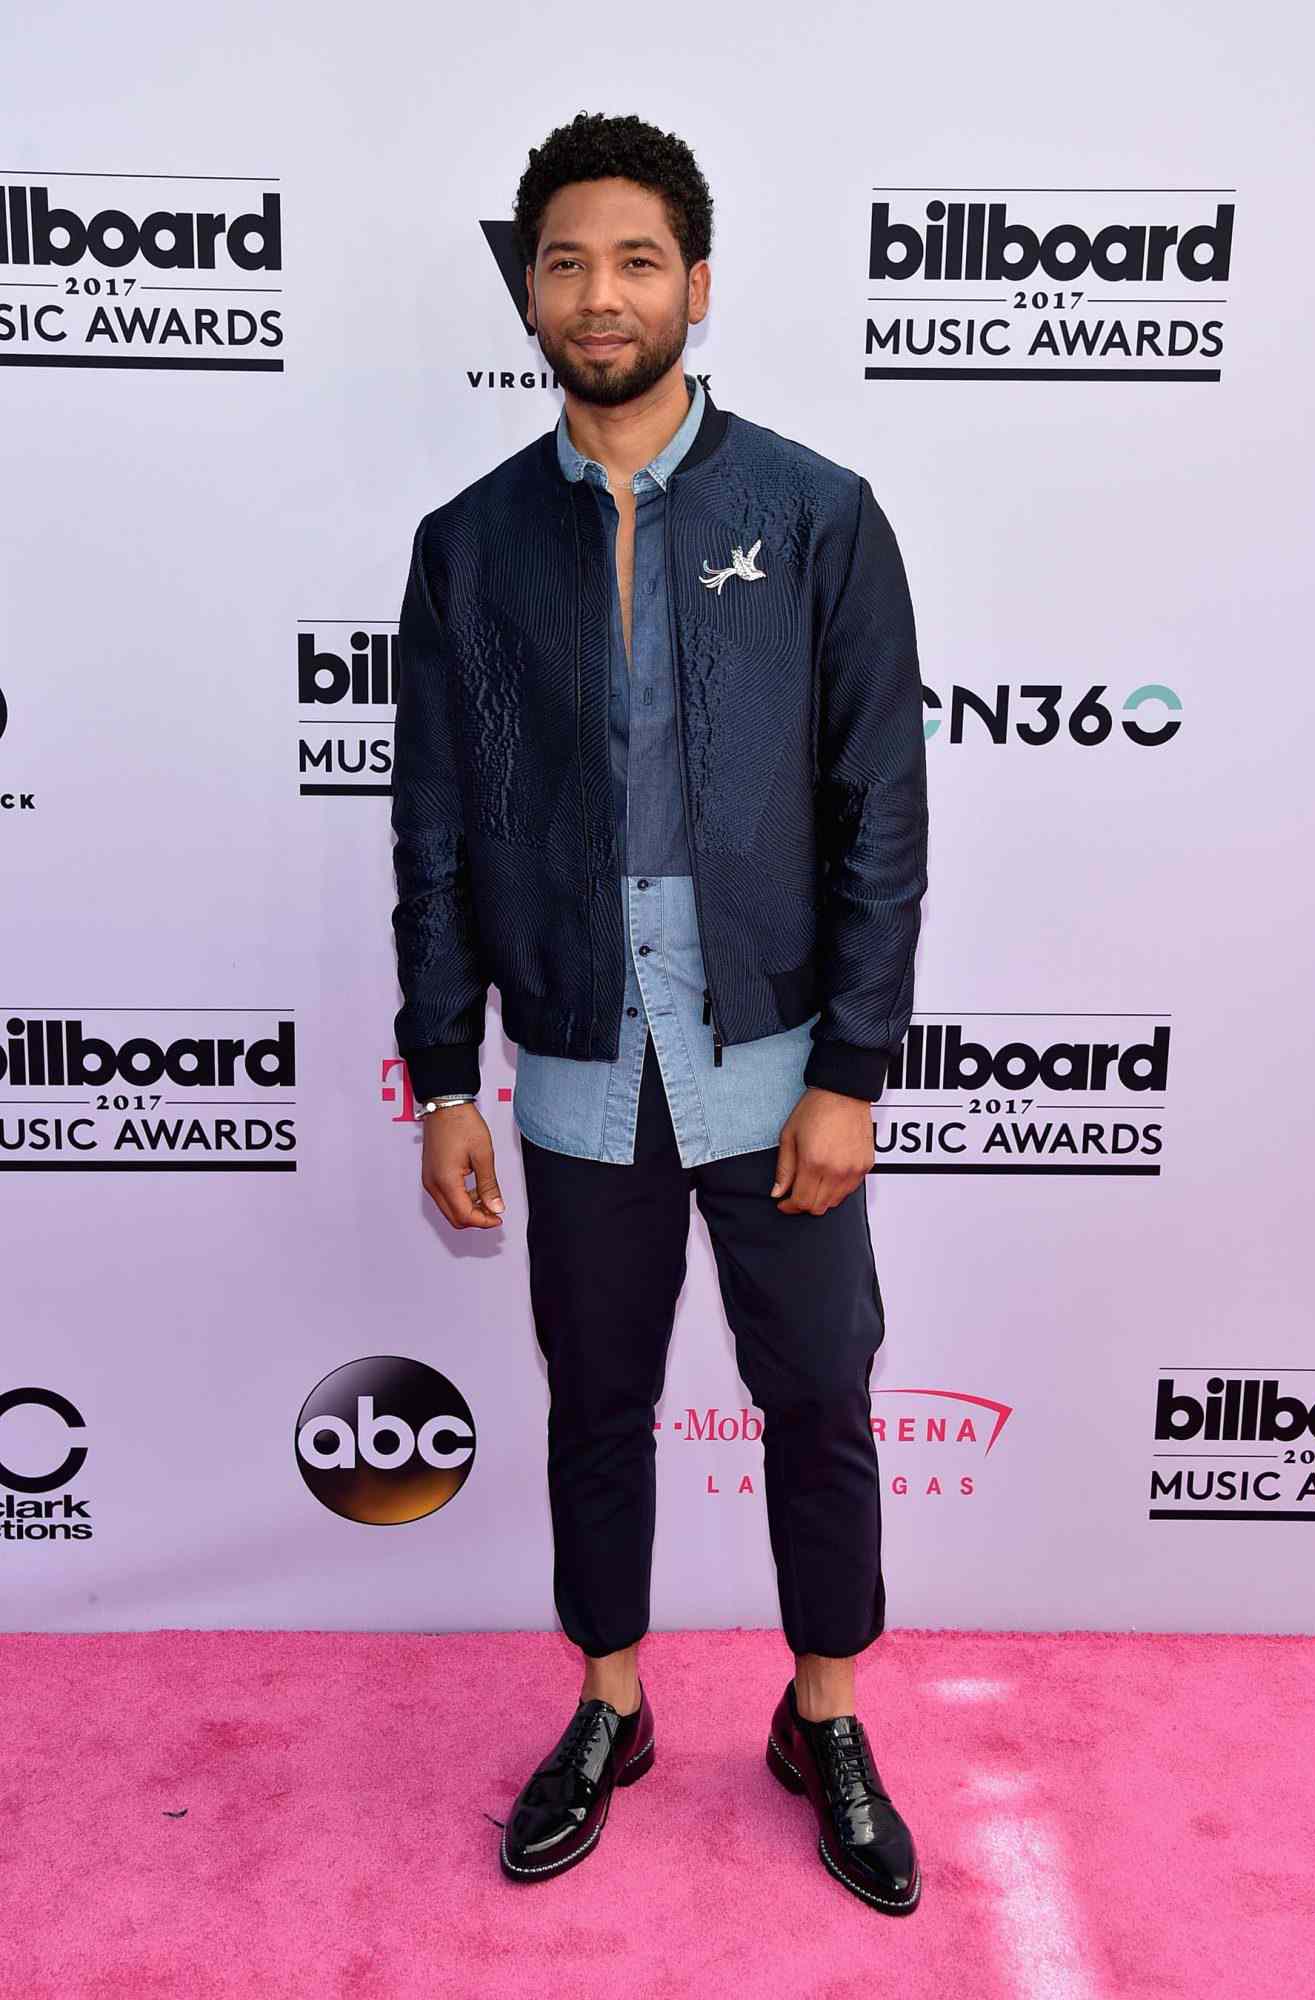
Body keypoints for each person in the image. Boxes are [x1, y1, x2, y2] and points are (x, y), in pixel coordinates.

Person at [389, 110, 928, 1915]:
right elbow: (436, 829)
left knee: (820, 1400)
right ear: (527, 291)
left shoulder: (813, 513)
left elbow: (878, 812)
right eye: (564, 260)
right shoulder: (466, 546)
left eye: (635, 260)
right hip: (562, 1056)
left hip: (773, 1051)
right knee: (595, 1397)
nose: (599, 292)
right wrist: (443, 1074)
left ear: (695, 285)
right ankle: (609, 1704)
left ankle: (825, 1713)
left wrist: (852, 1069)